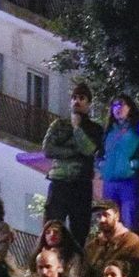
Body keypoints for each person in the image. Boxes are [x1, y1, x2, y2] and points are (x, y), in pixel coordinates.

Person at [42, 82, 104, 246]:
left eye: (81, 98)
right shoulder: (58, 124)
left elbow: (89, 149)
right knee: (52, 229)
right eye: (74, 98)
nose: (77, 101)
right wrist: (73, 152)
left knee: (79, 232)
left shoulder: (95, 128)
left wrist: (77, 129)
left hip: (81, 184)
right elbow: (48, 150)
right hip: (59, 181)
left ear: (89, 103)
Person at [101, 94, 139, 233]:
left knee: (129, 226)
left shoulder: (138, 130)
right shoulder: (108, 132)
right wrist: (101, 166)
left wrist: (133, 164)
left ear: (130, 107)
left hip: (130, 184)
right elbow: (100, 154)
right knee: (108, 226)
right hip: (109, 184)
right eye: (114, 105)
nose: (117, 108)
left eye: (121, 104)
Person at [82, 200, 139, 277]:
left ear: (117, 216)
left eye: (106, 215)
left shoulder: (133, 243)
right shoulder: (92, 246)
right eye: (99, 216)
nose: (102, 220)